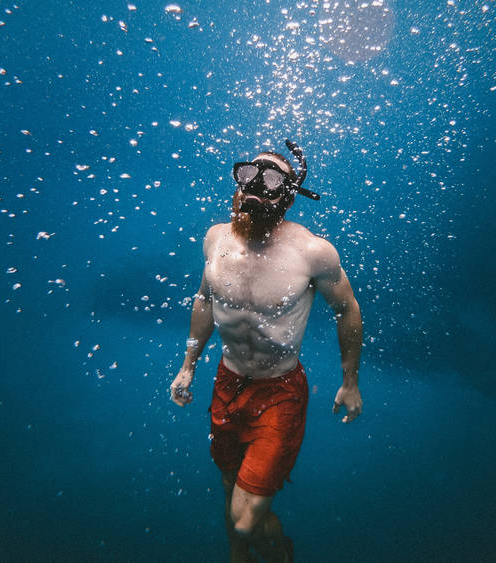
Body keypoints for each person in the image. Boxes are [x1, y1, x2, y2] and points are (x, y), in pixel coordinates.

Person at [169, 140, 363, 562]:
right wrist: (188, 364)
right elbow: (204, 300)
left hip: (279, 394)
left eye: (272, 179)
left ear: (287, 196)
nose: (256, 185)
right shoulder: (215, 239)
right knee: (228, 489)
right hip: (227, 381)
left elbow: (347, 310)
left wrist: (351, 381)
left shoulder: (312, 252)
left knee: (243, 517)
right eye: (249, 174)